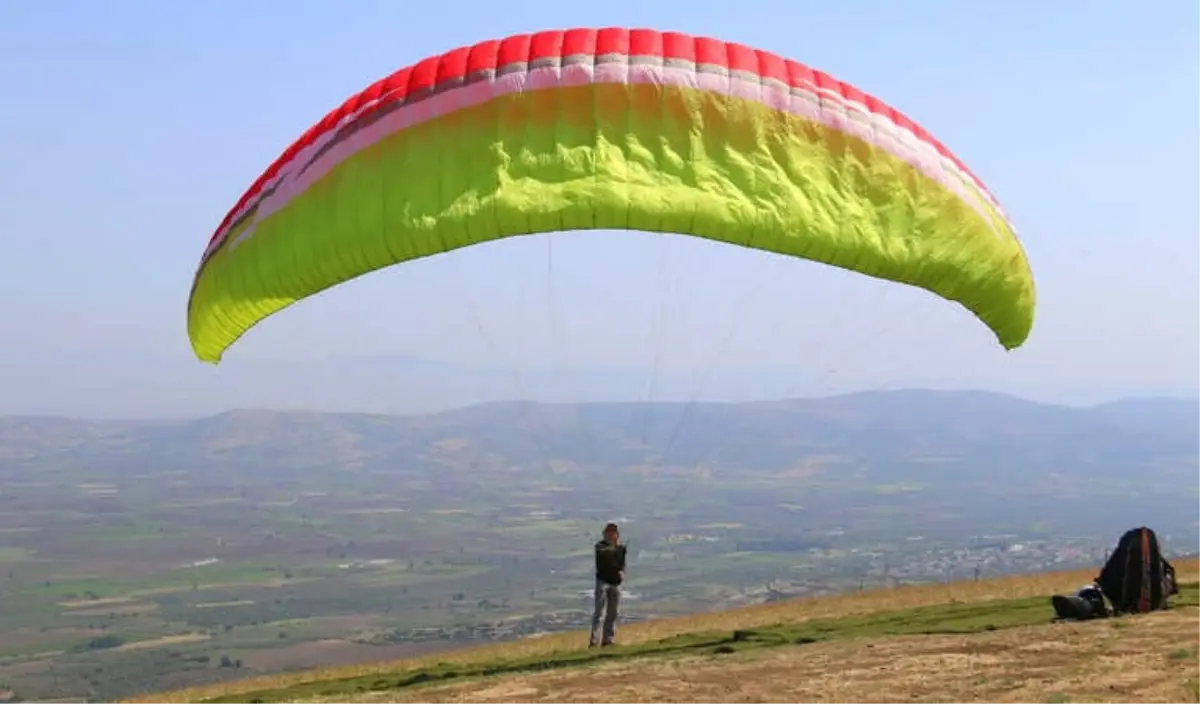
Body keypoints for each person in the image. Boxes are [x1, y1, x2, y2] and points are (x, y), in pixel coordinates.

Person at [589, 522, 626, 648]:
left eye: (613, 534)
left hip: (615, 582)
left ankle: (608, 640)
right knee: (599, 612)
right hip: (603, 581)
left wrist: (621, 571)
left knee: (613, 612)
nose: (611, 536)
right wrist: (614, 547)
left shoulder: (621, 548)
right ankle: (594, 641)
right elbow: (604, 557)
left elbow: (621, 563)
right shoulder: (600, 547)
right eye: (609, 534)